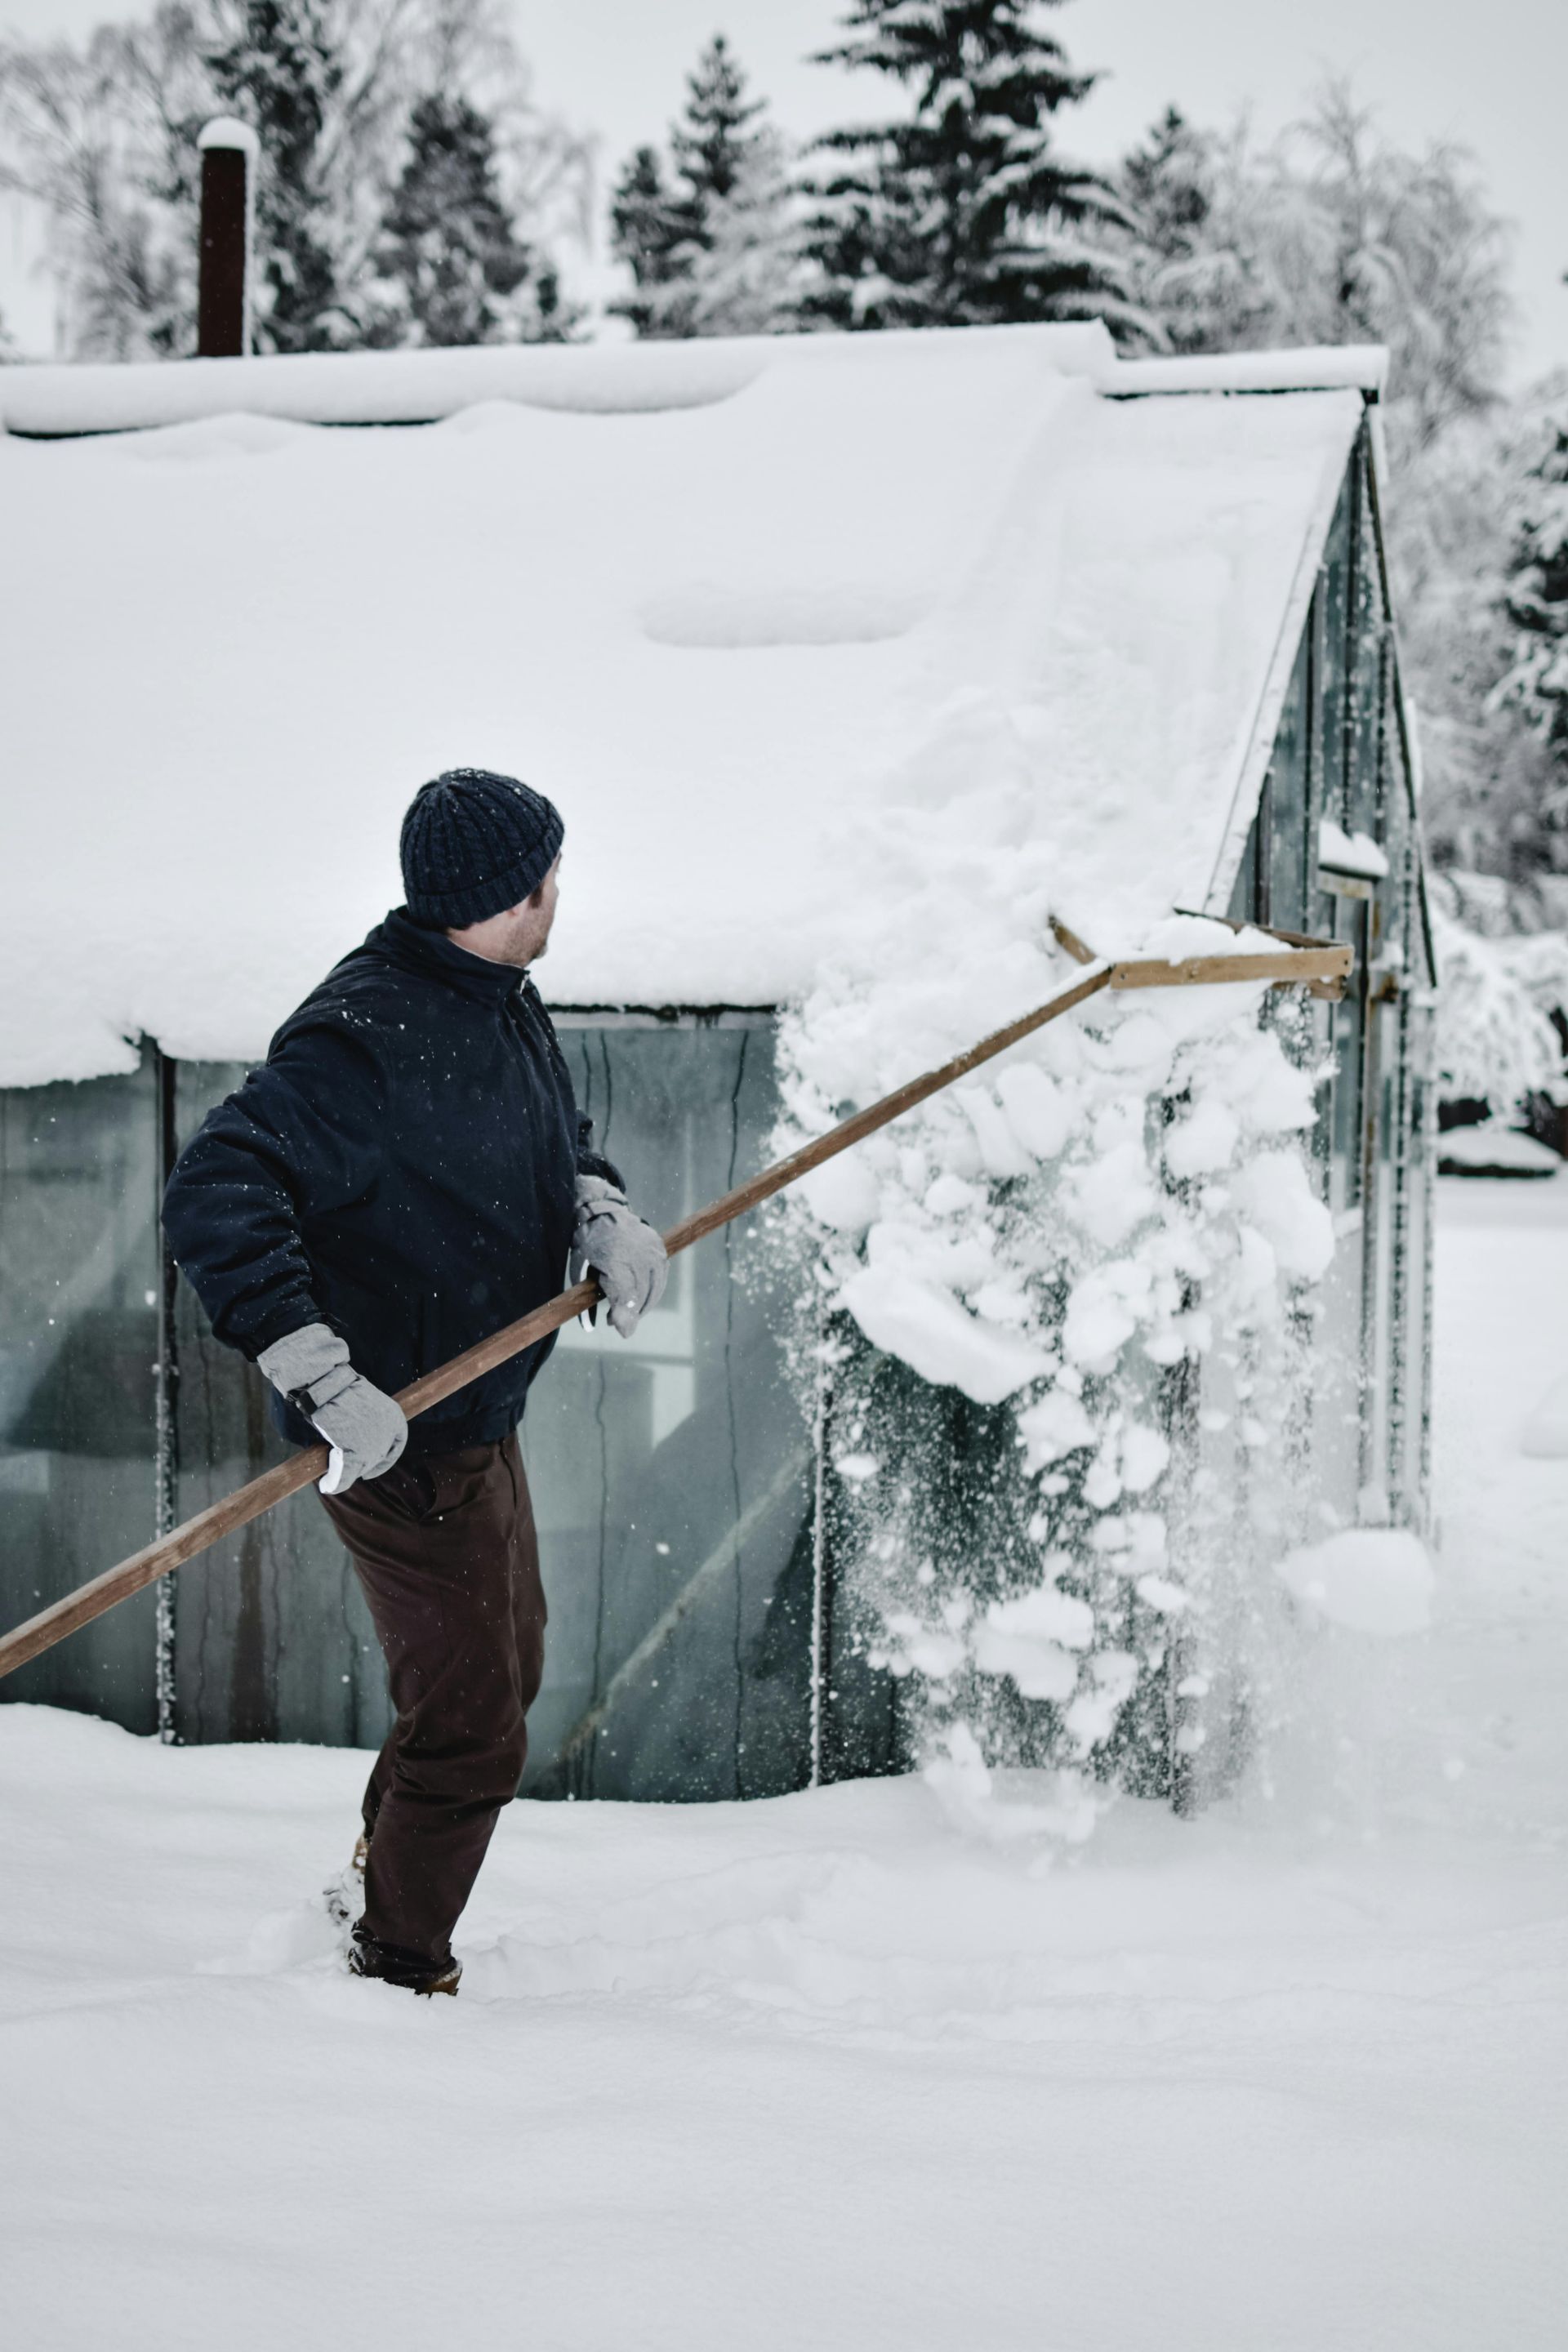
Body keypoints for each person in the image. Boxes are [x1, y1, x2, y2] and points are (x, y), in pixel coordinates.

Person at [163, 768, 666, 1997]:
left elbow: (544, 1130)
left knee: (503, 1672)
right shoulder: (365, 1038)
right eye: (547, 874)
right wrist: (318, 1370)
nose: (559, 893)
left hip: (478, 1419)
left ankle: (375, 1885)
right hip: (397, 1443)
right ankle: (395, 1974)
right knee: (472, 1729)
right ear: (506, 892)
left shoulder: (497, 996)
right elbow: (217, 1190)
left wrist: (594, 1205)